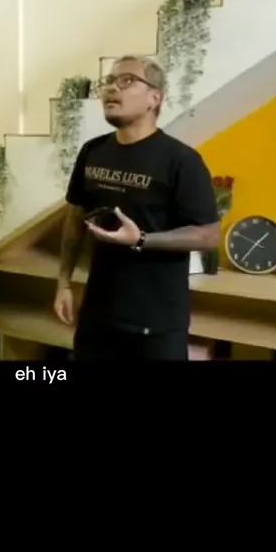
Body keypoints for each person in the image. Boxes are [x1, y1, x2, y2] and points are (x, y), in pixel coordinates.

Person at [54, 55, 220, 361]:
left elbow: (209, 235)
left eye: (126, 80)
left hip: (156, 323)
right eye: (108, 81)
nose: (111, 88)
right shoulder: (92, 151)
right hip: (98, 314)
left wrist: (142, 239)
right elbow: (75, 217)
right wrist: (64, 282)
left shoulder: (181, 161)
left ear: (154, 98)